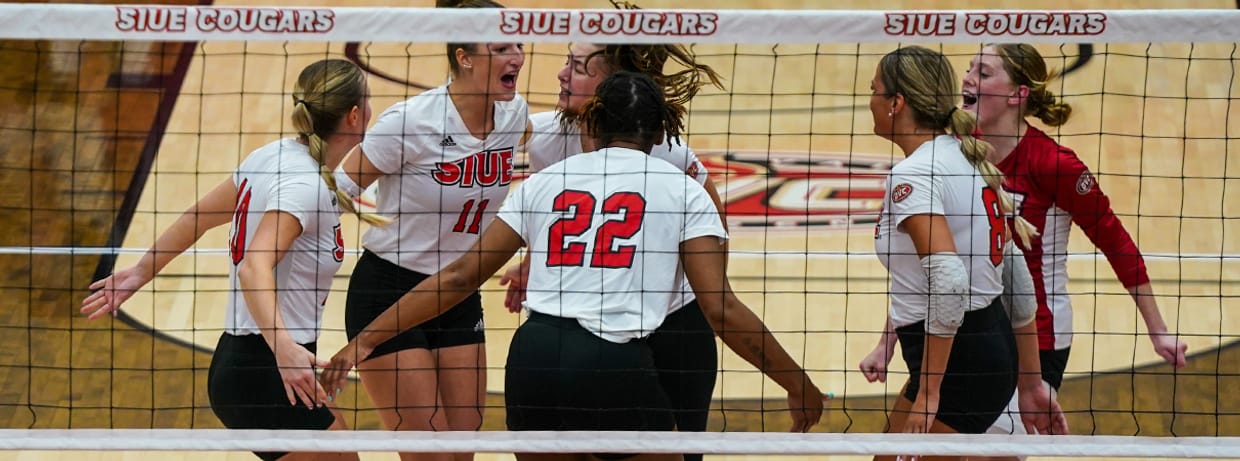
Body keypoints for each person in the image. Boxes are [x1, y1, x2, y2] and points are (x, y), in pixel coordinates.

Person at [322, 70, 824, 461]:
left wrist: (366, 338)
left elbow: (457, 278)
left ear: (593, 122)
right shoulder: (684, 189)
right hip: (609, 362)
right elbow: (719, 307)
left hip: (533, 361)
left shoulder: (547, 182)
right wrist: (795, 381)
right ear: (659, 131)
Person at [80, 58, 372, 461]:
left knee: (344, 450)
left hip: (246, 365)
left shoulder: (274, 155)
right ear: (355, 115)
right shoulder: (304, 186)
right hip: (265, 371)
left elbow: (197, 217)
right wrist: (284, 347)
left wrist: (141, 271)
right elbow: (255, 265)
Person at [503, 37, 726, 459]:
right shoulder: (547, 135)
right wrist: (536, 260)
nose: (562, 74)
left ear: (612, 83)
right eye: (566, 62)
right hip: (592, 336)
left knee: (680, 447)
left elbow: (715, 222)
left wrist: (677, 282)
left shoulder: (668, 151)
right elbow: (562, 214)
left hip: (672, 323)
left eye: (580, 68)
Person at [329, 1, 528, 458]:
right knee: (431, 456)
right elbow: (335, 191)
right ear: (465, 57)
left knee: (460, 452)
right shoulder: (411, 122)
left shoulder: (514, 116)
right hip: (389, 291)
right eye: (501, 47)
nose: (517, 55)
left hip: (458, 293)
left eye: (519, 44)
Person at [961, 43, 1189, 440]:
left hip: (1038, 335)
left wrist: (1158, 331)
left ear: (1018, 94)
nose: (967, 78)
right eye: (969, 69)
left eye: (983, 73)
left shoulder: (1054, 165)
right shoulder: (960, 152)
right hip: (973, 325)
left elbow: (1116, 243)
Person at [866, 45, 1063, 458]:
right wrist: (1029, 381)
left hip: (957, 363)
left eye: (875, 91)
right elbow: (1017, 277)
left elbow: (951, 281)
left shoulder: (915, 174)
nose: (870, 101)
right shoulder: (966, 156)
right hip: (975, 350)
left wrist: (930, 392)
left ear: (897, 103)